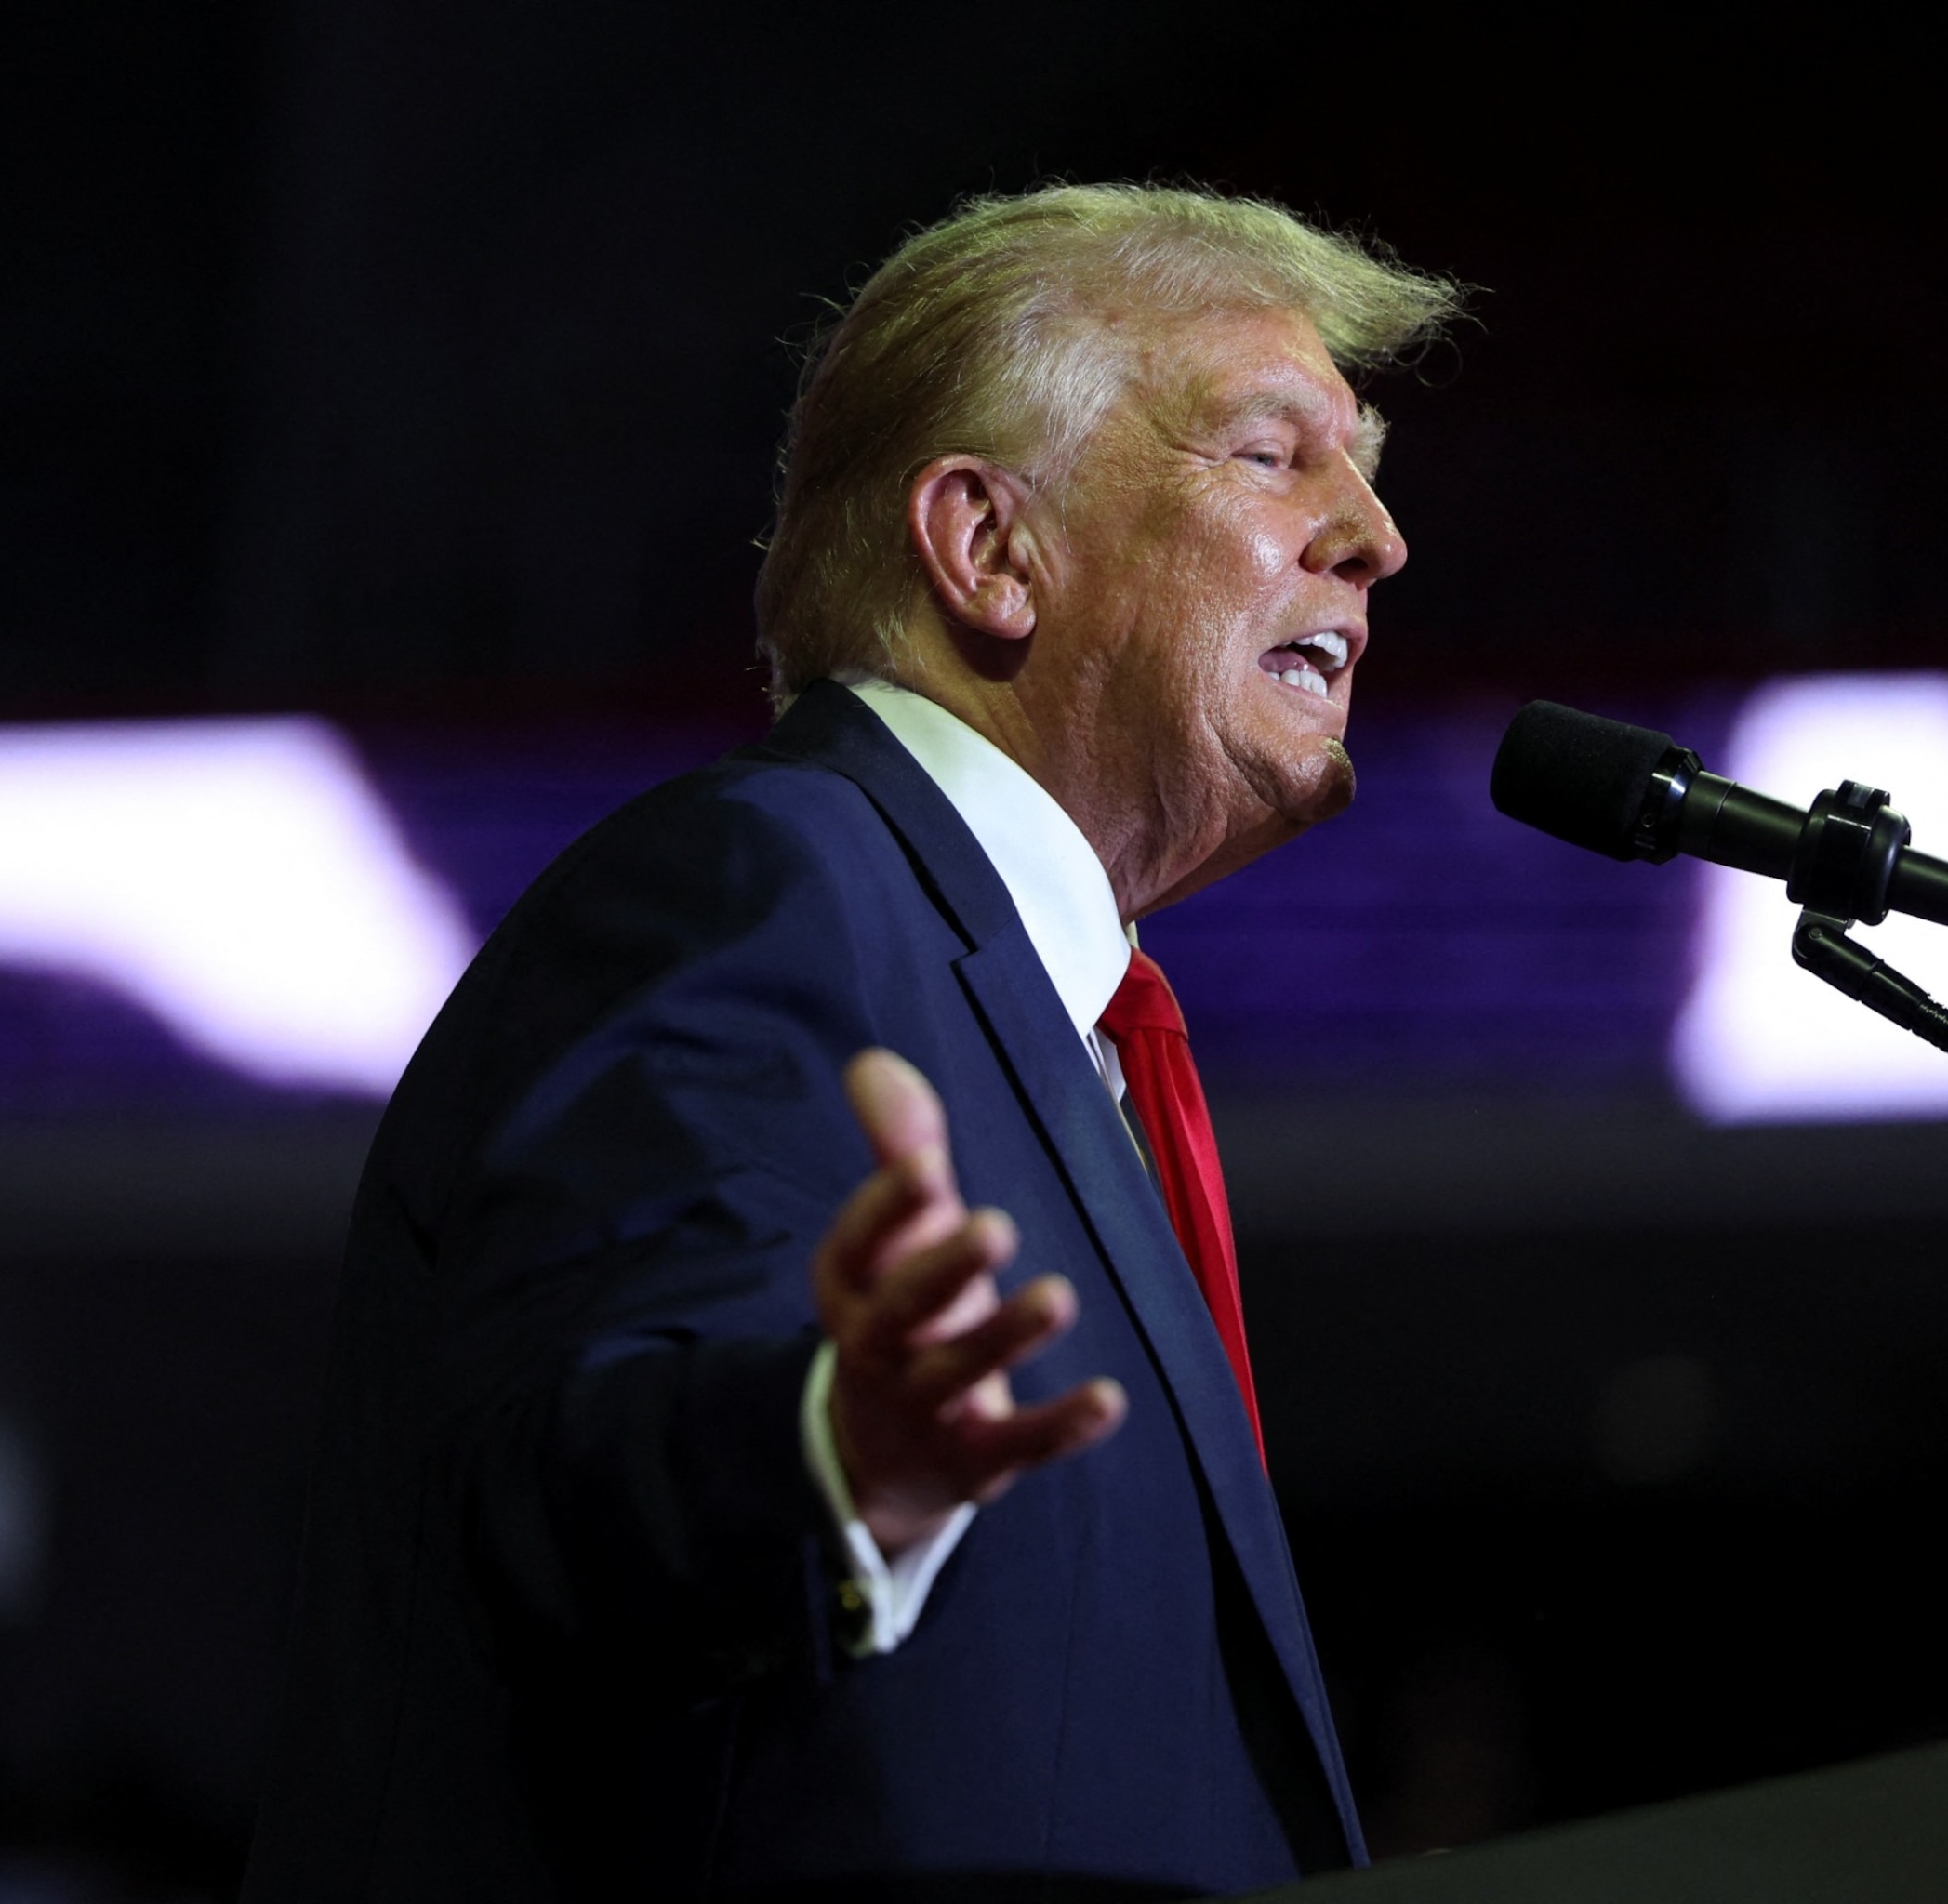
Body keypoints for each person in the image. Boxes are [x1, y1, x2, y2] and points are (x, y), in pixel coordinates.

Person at [243, 182, 1459, 1901]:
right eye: (1274, 456)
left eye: (1366, 466)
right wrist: (830, 1454)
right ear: (989, 548)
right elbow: (586, 1450)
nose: (1374, 536)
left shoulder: (1056, 1025)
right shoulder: (770, 879)